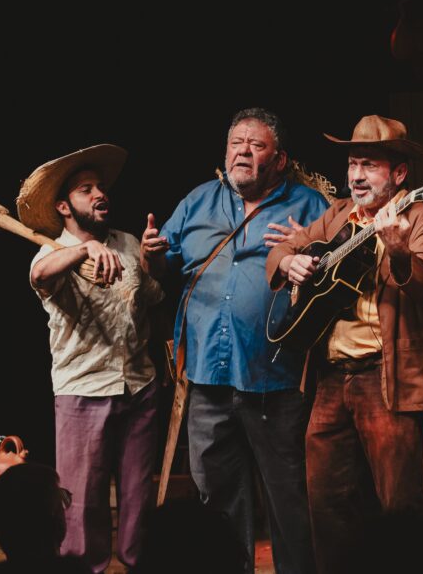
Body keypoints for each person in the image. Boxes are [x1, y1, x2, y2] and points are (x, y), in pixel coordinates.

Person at [141, 108, 328, 574]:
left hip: (278, 377)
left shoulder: (309, 206)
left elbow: (338, 275)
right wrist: (151, 257)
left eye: (256, 144)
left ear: (280, 158)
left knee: (289, 502)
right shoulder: (198, 202)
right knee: (218, 502)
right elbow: (165, 269)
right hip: (207, 375)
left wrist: (307, 254)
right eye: (235, 143)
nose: (242, 151)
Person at [267, 115, 423, 574]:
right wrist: (289, 262)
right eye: (352, 164)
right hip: (330, 381)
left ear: (400, 173)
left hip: (384, 379)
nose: (355, 175)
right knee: (327, 506)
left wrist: (401, 250)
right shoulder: (337, 215)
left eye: (368, 165)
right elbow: (281, 249)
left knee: (399, 503)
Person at [18, 144, 164, 572]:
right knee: (81, 506)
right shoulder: (52, 252)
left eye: (101, 187)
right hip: (83, 393)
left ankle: (140, 566)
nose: (100, 194)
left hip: (139, 388)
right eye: (86, 189)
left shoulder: (126, 242)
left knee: (139, 498)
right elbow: (39, 276)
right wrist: (83, 251)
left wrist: (153, 264)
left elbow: (153, 297)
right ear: (64, 206)